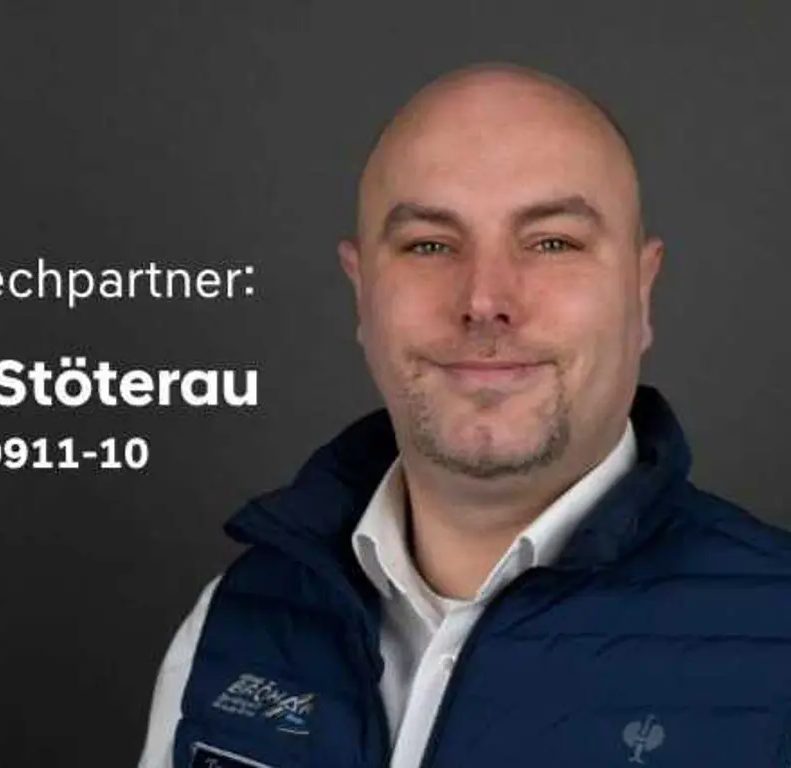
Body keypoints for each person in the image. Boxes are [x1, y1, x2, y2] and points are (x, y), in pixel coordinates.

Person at [136, 62, 791, 768]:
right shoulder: (235, 619)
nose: (484, 300)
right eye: (429, 245)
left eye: (552, 243)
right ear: (362, 293)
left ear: (641, 291)